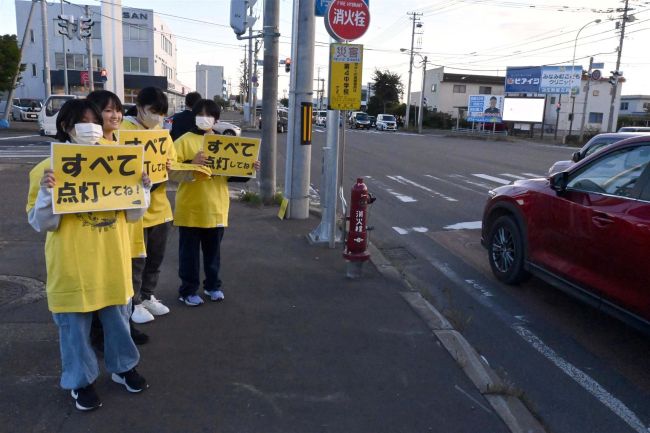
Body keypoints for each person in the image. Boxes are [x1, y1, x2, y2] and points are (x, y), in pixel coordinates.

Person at [26, 99, 150, 411]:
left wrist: (143, 189)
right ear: (65, 126)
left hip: (112, 262)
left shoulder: (120, 162)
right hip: (72, 266)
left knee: (119, 323)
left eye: (95, 120)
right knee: (74, 330)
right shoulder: (45, 170)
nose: (91, 127)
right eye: (83, 121)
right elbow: (41, 223)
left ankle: (123, 368)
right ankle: (79, 382)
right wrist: (46, 193)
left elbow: (134, 216)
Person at [173, 99, 260, 306]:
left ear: (217, 119)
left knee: (213, 254)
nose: (205, 118)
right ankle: (188, 290)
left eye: (209, 115)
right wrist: (190, 164)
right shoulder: (183, 141)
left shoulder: (223, 143)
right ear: (194, 116)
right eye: (200, 114)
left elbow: (233, 175)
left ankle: (213, 286)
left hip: (216, 207)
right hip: (190, 208)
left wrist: (250, 167)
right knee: (189, 255)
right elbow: (170, 171)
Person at [86, 90, 149, 348]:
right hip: (99, 230)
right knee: (101, 282)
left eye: (118, 110)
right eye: (108, 110)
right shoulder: (88, 149)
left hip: (128, 226)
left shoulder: (125, 147)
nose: (115, 115)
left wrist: (146, 182)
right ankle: (100, 333)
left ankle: (124, 328)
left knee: (125, 281)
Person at [121, 87, 175, 324]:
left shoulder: (162, 134)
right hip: (135, 210)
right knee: (136, 259)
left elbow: (170, 163)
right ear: (140, 107)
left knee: (155, 257)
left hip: (161, 208)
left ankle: (147, 294)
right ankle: (134, 302)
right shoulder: (123, 129)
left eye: (161, 113)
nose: (157, 117)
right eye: (153, 111)